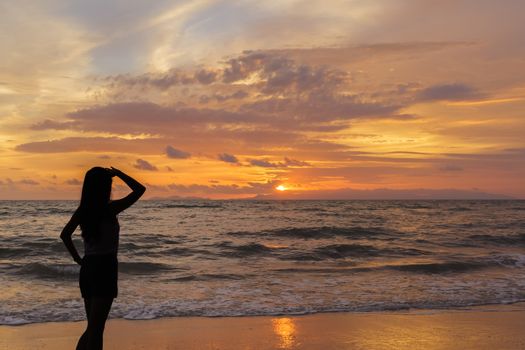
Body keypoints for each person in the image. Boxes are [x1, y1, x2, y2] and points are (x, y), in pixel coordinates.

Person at [60, 167, 146, 350]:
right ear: (104, 187)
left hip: (88, 268)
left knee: (92, 327)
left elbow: (65, 235)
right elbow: (140, 190)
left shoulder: (83, 210)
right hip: (105, 268)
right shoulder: (110, 209)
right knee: (96, 329)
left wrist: (78, 260)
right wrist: (120, 173)